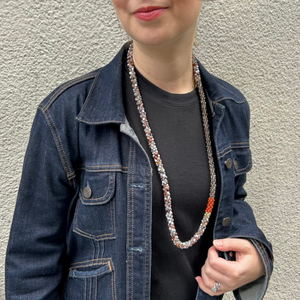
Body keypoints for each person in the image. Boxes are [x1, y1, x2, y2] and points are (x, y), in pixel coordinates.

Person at [5, 1, 273, 299]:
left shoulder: (230, 109)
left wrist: (255, 252)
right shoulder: (68, 115)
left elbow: (230, 202)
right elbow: (31, 263)